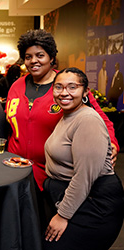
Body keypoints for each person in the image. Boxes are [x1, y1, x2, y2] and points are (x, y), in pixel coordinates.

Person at [5, 29, 119, 231]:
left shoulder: (66, 86)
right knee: (18, 228)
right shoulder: (16, 85)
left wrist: (112, 144)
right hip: (16, 171)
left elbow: (100, 119)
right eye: (28, 57)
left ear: (51, 58)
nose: (34, 61)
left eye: (40, 55)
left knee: (44, 228)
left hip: (52, 175)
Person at [43, 67, 124, 250]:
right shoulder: (68, 115)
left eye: (72, 87)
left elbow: (84, 178)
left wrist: (62, 215)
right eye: (59, 87)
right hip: (76, 199)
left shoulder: (87, 119)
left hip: (95, 204)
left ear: (85, 91)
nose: (64, 93)